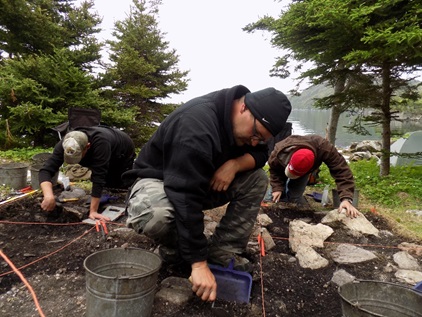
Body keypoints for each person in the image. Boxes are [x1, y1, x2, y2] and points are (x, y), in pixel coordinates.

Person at [122, 85, 292, 302]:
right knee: (157, 217)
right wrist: (198, 263)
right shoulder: (196, 124)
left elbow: (261, 154)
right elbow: (185, 195)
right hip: (158, 182)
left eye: (261, 138)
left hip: (198, 181)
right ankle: (178, 251)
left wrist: (235, 164)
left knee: (257, 179)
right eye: (255, 134)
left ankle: (222, 250)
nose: (254, 141)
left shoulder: (248, 128)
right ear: (243, 108)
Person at [39, 126, 135, 221]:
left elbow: (98, 177)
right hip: (101, 147)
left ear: (87, 146)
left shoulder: (101, 144)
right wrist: (48, 195)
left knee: (119, 184)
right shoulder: (65, 144)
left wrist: (93, 211)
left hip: (122, 148)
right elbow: (46, 170)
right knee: (106, 185)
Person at [267, 134, 361, 218]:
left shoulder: (323, 148)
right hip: (281, 167)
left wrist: (346, 199)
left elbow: (342, 171)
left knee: (295, 196)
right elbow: (274, 170)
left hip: (305, 170)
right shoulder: (279, 152)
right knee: (272, 197)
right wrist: (277, 188)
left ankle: (297, 214)